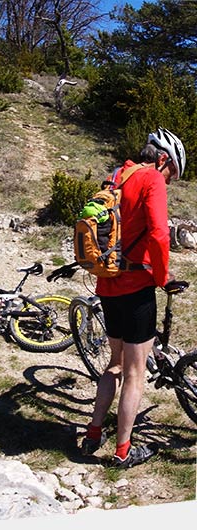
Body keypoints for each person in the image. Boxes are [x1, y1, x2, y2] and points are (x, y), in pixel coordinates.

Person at [83, 128, 183, 467]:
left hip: (107, 283)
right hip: (136, 286)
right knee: (136, 372)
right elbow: (158, 234)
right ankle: (123, 450)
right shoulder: (152, 180)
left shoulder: (115, 176)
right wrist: (162, 276)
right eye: (171, 174)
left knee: (115, 363)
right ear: (163, 159)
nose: (167, 183)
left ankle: (94, 431)